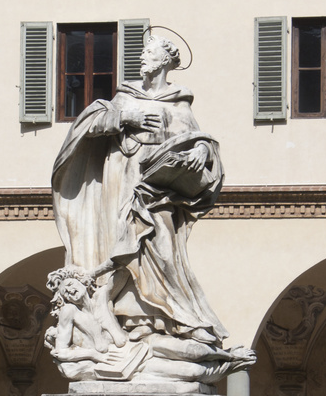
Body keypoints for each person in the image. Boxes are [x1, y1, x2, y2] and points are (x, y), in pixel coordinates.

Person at [51, 35, 228, 348]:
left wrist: (202, 150)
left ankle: (180, 319)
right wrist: (123, 117)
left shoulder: (179, 102)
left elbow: (197, 138)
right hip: (122, 182)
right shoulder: (125, 96)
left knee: (163, 248)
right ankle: (137, 321)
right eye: (143, 52)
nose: (142, 57)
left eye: (149, 53)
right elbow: (89, 125)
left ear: (165, 60)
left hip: (160, 188)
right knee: (122, 247)